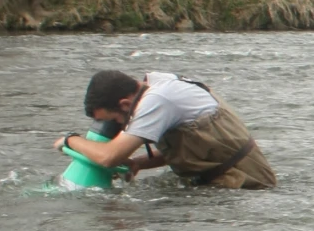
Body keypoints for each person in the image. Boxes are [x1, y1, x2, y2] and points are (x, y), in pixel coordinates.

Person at [58, 69, 277, 190]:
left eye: (114, 120)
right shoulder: (158, 83)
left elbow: (109, 158)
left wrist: (70, 140)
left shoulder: (157, 101)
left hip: (246, 184)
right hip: (231, 178)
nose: (117, 127)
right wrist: (138, 163)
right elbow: (191, 144)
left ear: (125, 105)